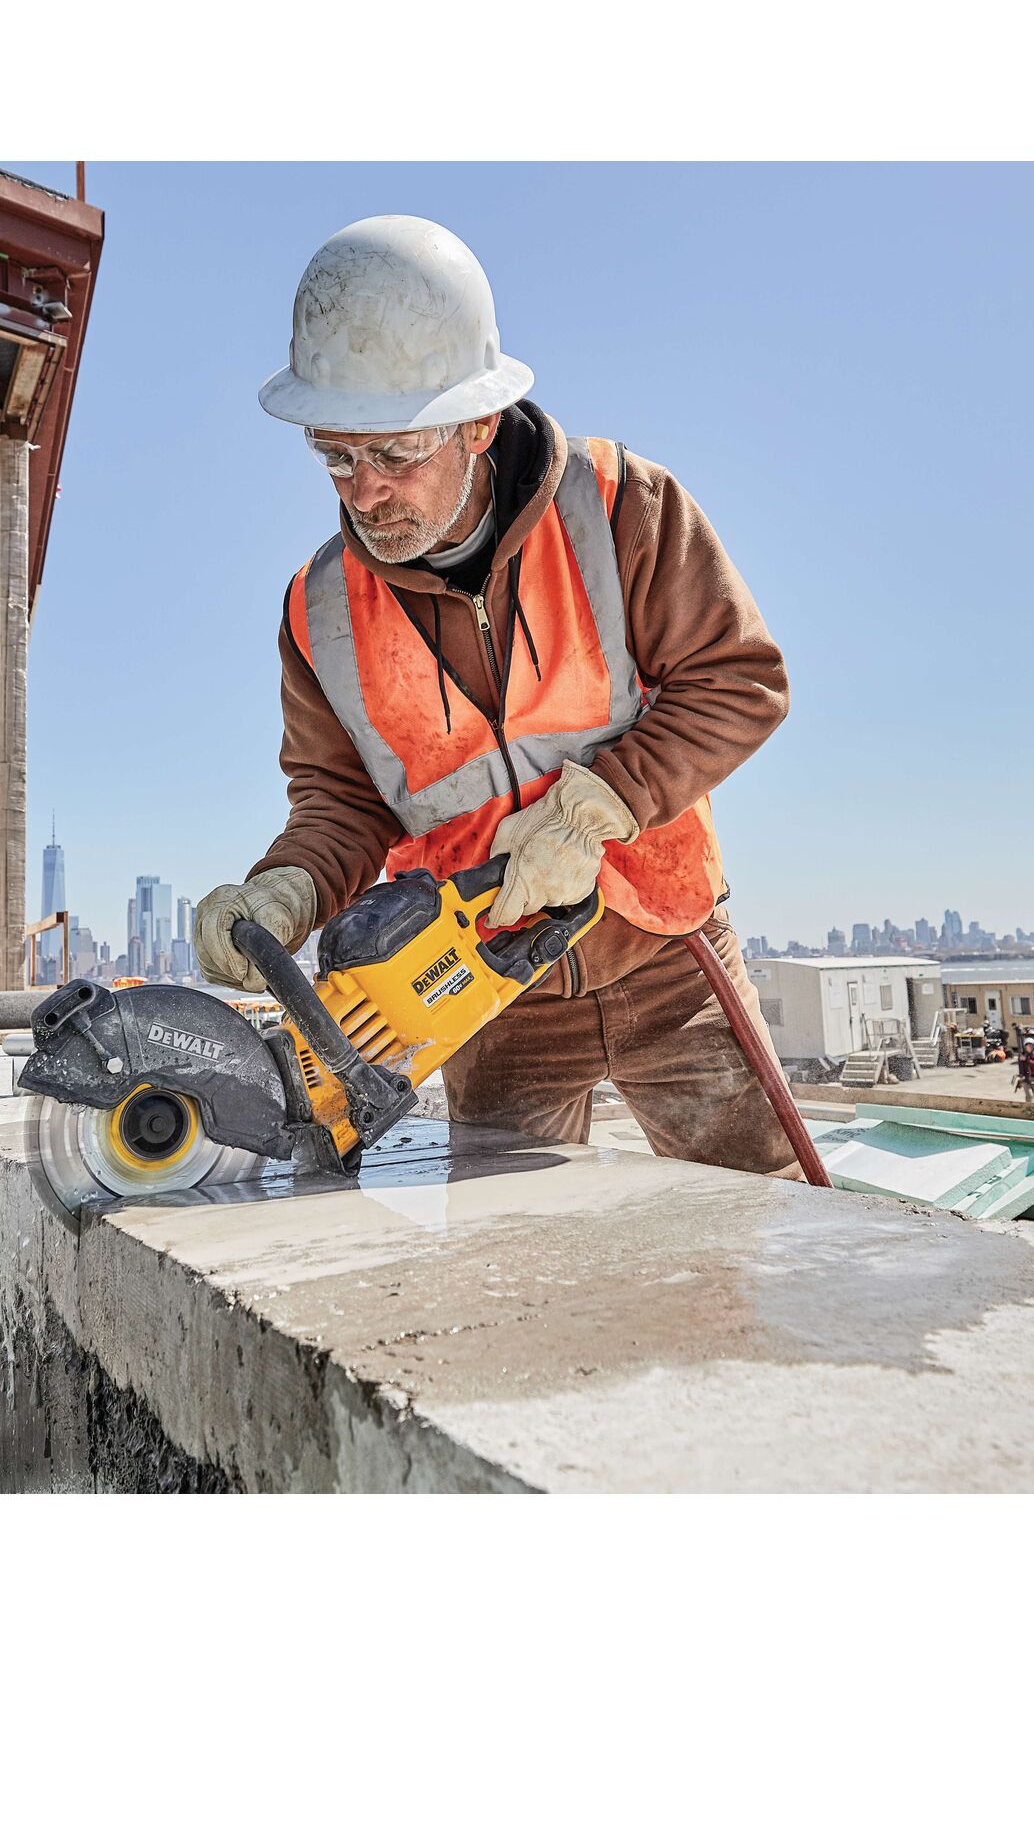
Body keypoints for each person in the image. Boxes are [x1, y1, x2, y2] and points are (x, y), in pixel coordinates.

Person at [193, 216, 802, 1176]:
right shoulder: (321, 614)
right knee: (510, 1277)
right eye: (335, 457)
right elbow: (344, 805)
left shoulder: (618, 507)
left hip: (664, 957)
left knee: (774, 1226)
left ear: (477, 424)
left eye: (393, 456)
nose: (363, 493)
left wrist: (599, 807)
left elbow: (742, 679)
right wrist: (292, 885)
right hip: (477, 987)